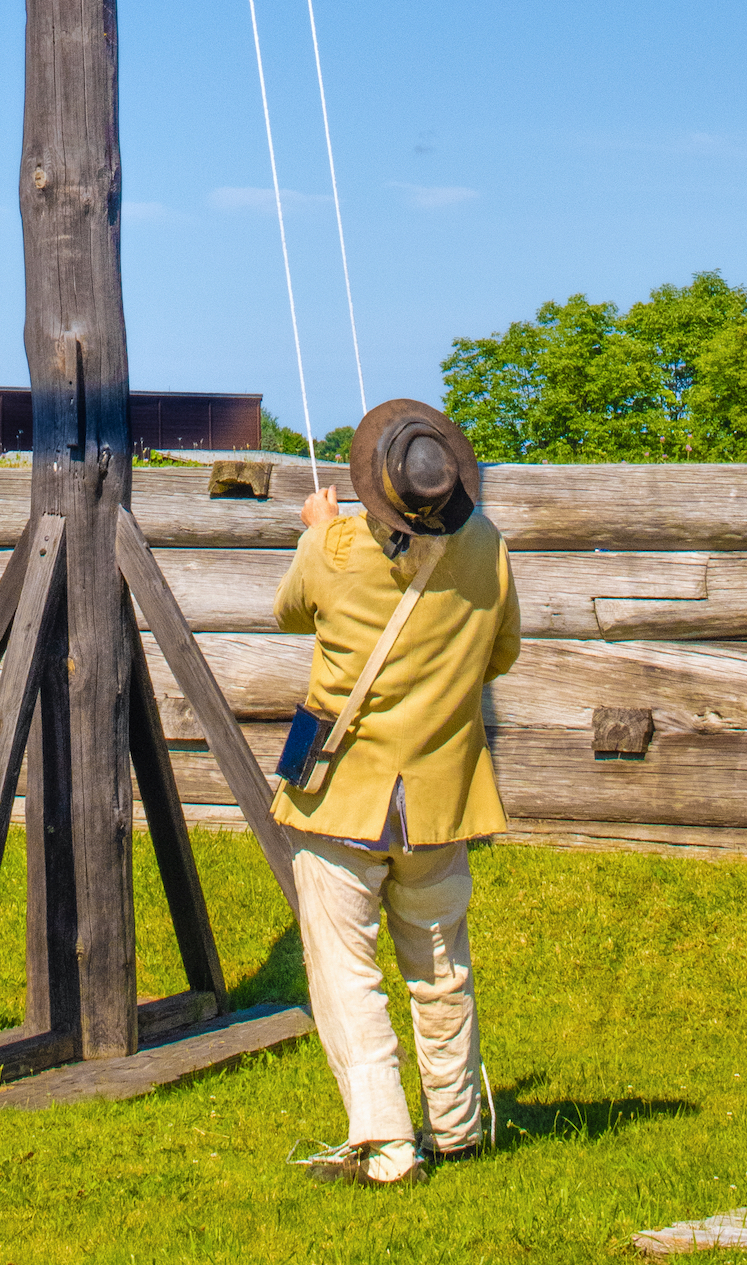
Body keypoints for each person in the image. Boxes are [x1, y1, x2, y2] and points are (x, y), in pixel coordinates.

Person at [269, 396, 521, 1187]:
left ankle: (385, 1145)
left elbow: (287, 613)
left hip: (343, 797)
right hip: (443, 800)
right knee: (441, 968)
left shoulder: (333, 541)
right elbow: (502, 655)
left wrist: (317, 526)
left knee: (348, 974)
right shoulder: (486, 545)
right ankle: (456, 1126)